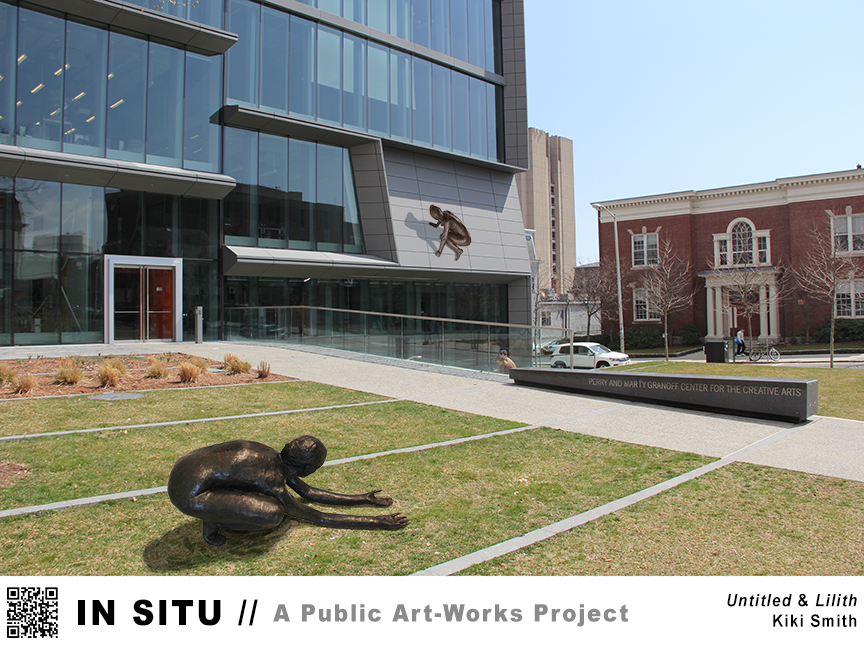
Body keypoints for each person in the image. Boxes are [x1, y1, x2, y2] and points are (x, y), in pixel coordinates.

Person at [167, 436, 408, 547]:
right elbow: (317, 516)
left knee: (264, 502)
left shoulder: (273, 456)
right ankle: (213, 522)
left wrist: (361, 499)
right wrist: (376, 522)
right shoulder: (272, 479)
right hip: (189, 494)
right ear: (305, 468)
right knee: (272, 513)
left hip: (186, 467)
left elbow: (309, 493)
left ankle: (217, 510)